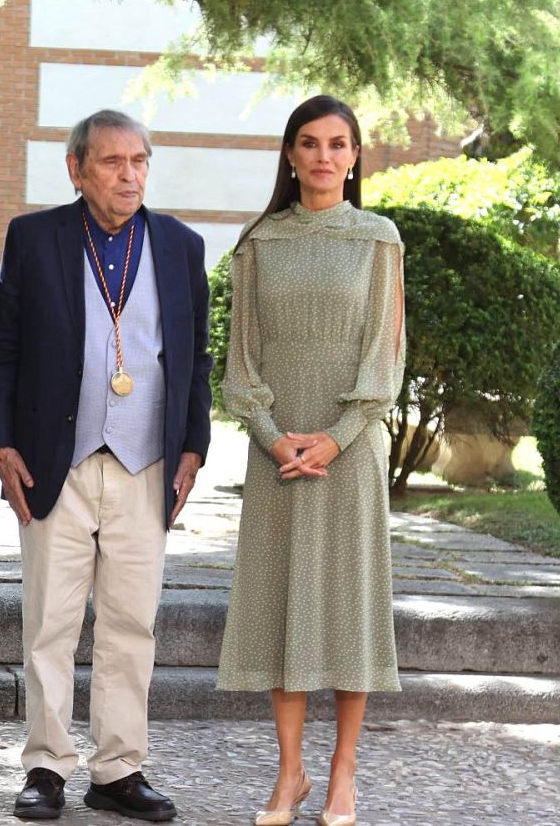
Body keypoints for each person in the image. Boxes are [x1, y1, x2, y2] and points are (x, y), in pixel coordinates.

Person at [0, 109, 213, 822]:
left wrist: (194, 448)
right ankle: (47, 766)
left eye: (139, 161)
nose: (129, 174)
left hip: (147, 462)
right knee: (50, 620)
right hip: (58, 460)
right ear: (77, 169)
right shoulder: (35, 238)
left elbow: (196, 357)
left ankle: (117, 770)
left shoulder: (179, 245)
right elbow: (3, 351)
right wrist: (2, 442)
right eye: (112, 162)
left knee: (130, 623)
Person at [215, 95, 407, 826]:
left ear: (355, 156)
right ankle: (288, 772)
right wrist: (273, 436)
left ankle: (342, 772)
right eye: (309, 143)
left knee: (348, 608)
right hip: (278, 453)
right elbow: (242, 360)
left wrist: (336, 436)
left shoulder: (379, 239)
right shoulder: (259, 241)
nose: (324, 156)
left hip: (348, 455)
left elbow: (384, 359)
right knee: (281, 603)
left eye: (338, 144)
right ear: (289, 156)